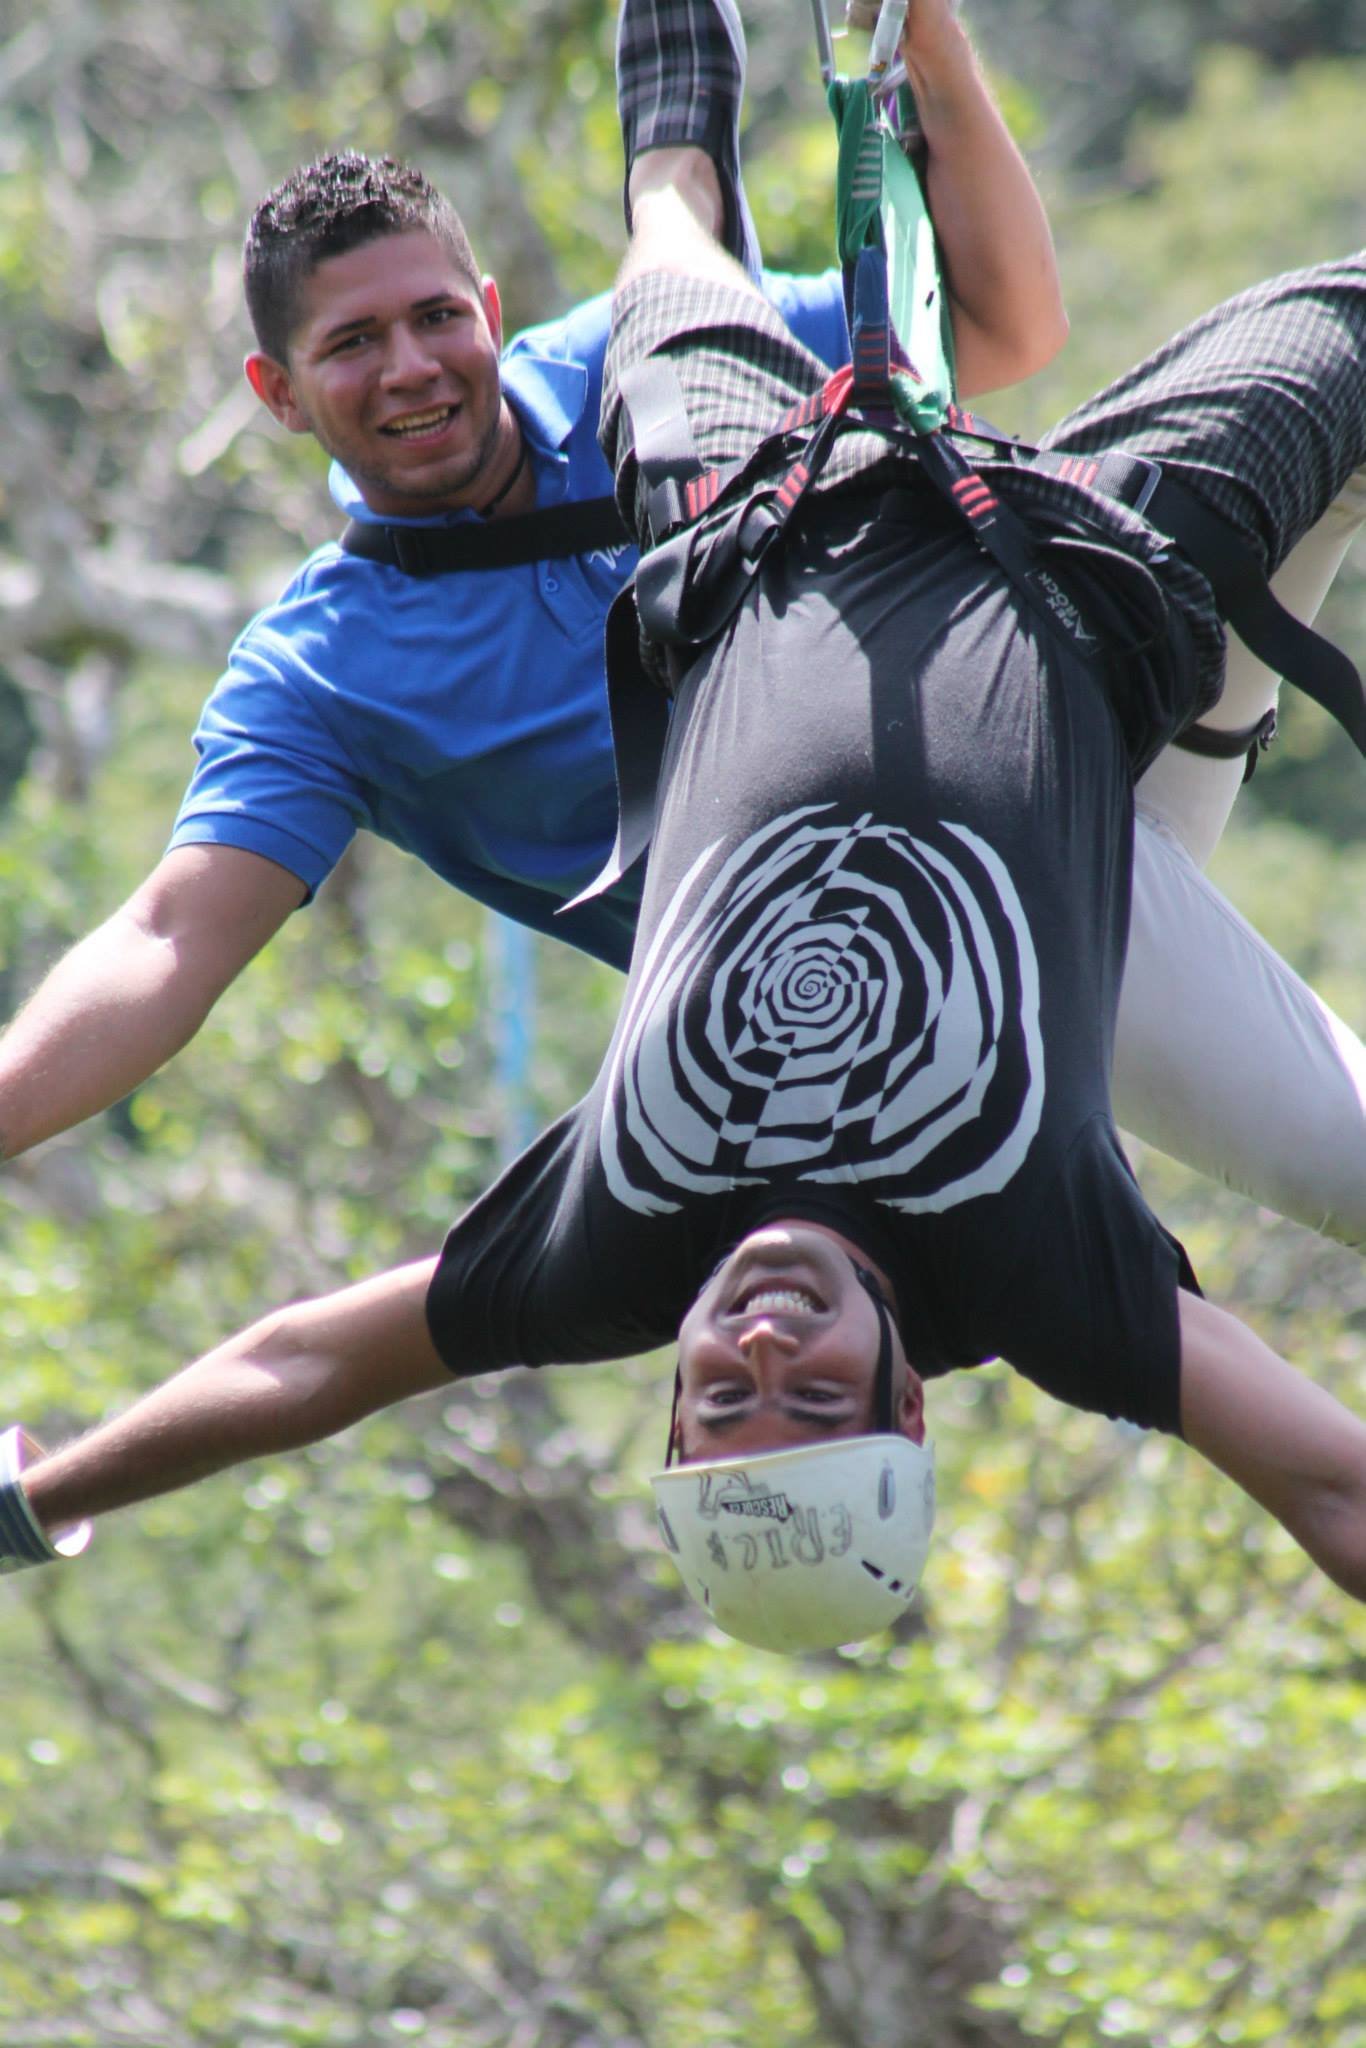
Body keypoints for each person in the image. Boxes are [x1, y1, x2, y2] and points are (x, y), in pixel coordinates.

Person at [8, 0, 1366, 1656]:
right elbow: (169, 936)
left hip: (776, 545)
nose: (765, 1347)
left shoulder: (610, 1245)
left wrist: (40, 1496)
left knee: (670, 231)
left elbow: (301, 1366)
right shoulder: (1038, 1276)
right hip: (1076, 662)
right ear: (279, 395)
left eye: (727, 1400)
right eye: (816, 1397)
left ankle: (684, 78)